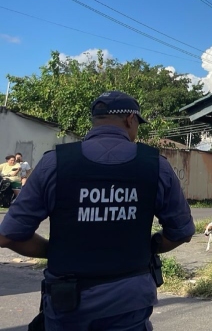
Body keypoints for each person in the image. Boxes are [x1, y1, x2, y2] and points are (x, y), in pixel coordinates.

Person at [0, 90, 194, 330]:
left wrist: (57, 251)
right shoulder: (156, 165)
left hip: (68, 303)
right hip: (129, 304)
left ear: (95, 120)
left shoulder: (55, 163)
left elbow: (8, 236)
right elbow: (182, 232)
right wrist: (149, 246)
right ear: (130, 119)